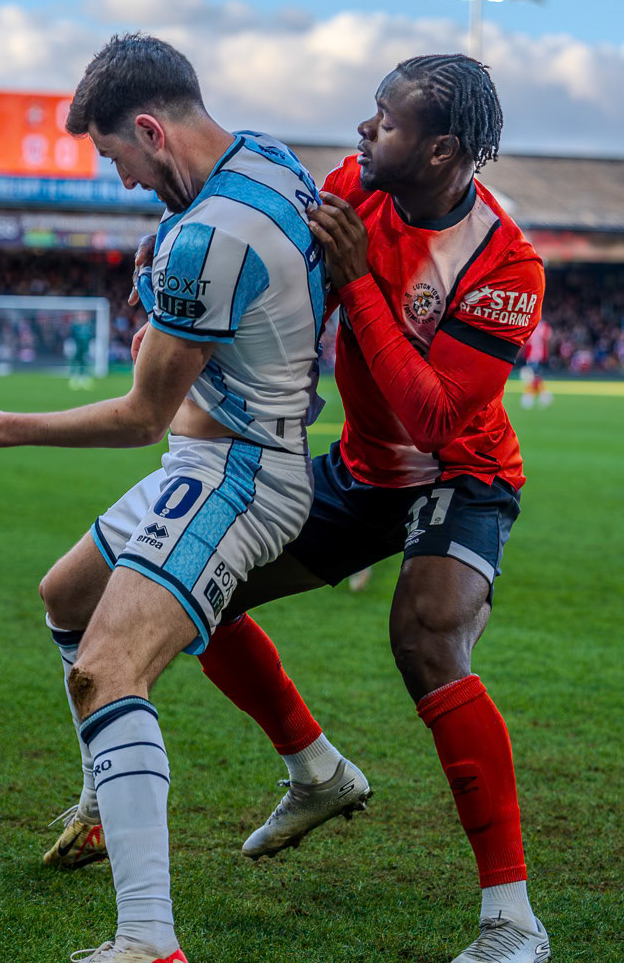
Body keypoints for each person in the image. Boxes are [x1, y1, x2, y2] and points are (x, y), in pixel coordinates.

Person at [80, 54, 551, 963]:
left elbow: (434, 414)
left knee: (426, 635)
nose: (366, 130)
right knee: (200, 590)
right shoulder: (349, 188)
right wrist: (177, 254)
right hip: (365, 471)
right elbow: (265, 270)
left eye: (389, 119)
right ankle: (317, 772)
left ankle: (512, 922)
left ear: (444, 148)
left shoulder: (506, 265)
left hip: (463, 474)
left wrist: (364, 282)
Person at [0, 33, 332, 963]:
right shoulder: (268, 158)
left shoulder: (208, 237)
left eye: (116, 160)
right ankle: (113, 792)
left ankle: (148, 943)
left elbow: (140, 415)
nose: (124, 182)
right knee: (66, 595)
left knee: (106, 668)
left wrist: (0, 426)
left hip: (242, 473)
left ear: (147, 128)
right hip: (217, 455)